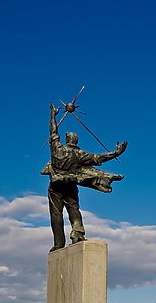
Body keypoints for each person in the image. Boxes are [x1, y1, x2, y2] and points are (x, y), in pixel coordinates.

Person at [41, 103, 128, 252]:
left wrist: (52, 115)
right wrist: (116, 153)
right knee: (74, 209)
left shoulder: (57, 148)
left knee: (56, 213)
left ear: (67, 140)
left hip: (55, 186)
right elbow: (99, 158)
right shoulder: (80, 155)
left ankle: (58, 243)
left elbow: (53, 131)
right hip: (70, 185)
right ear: (76, 142)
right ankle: (77, 233)